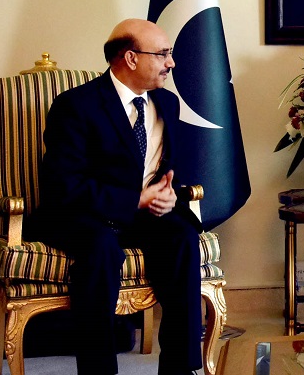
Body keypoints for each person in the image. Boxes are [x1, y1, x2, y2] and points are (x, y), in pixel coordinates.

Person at [29, 19, 203, 375]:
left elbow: (163, 169)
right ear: (131, 58)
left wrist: (167, 197)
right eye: (163, 54)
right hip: (82, 215)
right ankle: (98, 370)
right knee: (101, 249)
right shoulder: (76, 105)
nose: (171, 62)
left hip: (142, 216)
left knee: (183, 237)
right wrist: (134, 200)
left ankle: (179, 368)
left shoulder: (166, 103)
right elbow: (64, 185)